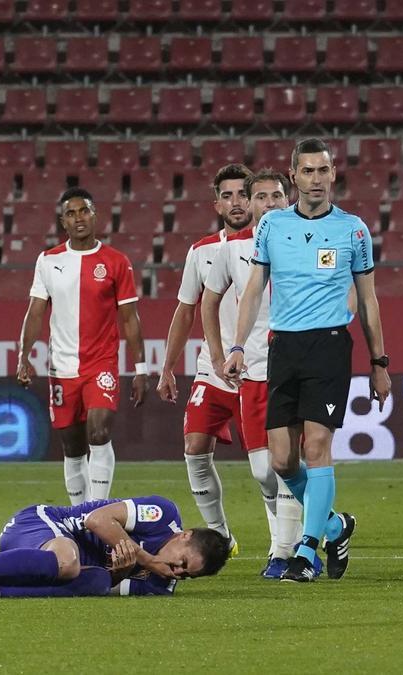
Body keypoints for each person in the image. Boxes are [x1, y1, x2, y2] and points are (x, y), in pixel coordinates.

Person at [222, 138, 391, 582]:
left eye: (324, 170)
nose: (316, 179)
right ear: (293, 176)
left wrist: (380, 361)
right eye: (308, 171)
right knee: (282, 460)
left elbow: (369, 301)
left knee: (316, 448)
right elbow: (254, 288)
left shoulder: (353, 229)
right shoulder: (272, 226)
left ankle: (307, 552)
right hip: (284, 348)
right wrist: (238, 346)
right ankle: (335, 526)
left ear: (333, 174)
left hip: (330, 345)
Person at [200, 169, 310, 578]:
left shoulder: (308, 240)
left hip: (296, 366)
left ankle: (284, 551)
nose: (269, 204)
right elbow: (208, 303)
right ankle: (329, 524)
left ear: (288, 198)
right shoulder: (233, 250)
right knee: (264, 470)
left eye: (277, 196)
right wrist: (221, 353)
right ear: (250, 203)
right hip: (254, 372)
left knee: (288, 463)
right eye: (260, 197)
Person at [18, 188, 148, 505]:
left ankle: (97, 509)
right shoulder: (48, 261)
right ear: (63, 221)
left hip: (101, 364)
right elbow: (35, 312)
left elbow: (130, 318)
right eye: (71, 213)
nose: (79, 217)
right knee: (73, 447)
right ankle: (78, 514)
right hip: (61, 367)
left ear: (95, 215)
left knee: (99, 433)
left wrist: (140, 369)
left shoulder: (116, 262)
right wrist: (24, 355)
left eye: (84, 210)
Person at [156, 164, 256, 556]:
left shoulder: (274, 245)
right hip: (212, 371)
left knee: (271, 464)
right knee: (195, 446)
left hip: (258, 370)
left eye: (243, 194)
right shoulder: (202, 251)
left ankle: (289, 537)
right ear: (216, 204)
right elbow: (185, 311)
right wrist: (167, 365)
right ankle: (219, 537)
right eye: (228, 195)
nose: (236, 202)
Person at [0, 495, 230, 599]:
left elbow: (108, 586)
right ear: (184, 536)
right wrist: (142, 557)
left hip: (47, 561)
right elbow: (97, 520)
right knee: (68, 560)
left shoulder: (160, 586)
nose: (174, 572)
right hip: (40, 524)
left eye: (185, 576)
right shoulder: (163, 514)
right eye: (182, 563)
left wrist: (117, 575)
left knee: (97, 582)